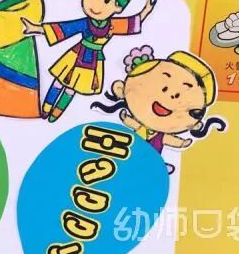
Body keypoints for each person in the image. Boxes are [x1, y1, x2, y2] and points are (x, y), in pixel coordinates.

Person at [23, 0, 155, 122]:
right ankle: (46, 108)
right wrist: (37, 28)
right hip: (75, 55)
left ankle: (55, 114)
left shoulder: (111, 25)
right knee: (59, 82)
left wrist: (145, 12)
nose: (94, 3)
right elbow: (64, 28)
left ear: (118, 7)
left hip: (92, 61)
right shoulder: (85, 23)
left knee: (71, 89)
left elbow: (131, 23)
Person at [93, 46, 226, 170]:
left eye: (180, 93)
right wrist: (125, 118)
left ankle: (154, 167)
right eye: (164, 85)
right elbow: (132, 123)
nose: (171, 95)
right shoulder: (140, 128)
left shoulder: (160, 136)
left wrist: (181, 143)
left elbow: (169, 140)